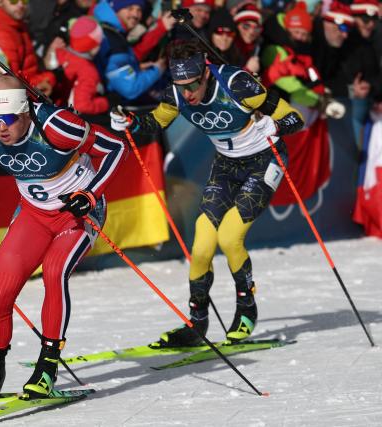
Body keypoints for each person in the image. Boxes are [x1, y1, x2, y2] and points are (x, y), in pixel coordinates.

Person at [0, 74, 127, 398]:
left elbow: (115, 148)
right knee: (2, 288)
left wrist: (90, 194)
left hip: (76, 213)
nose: (1, 129)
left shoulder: (57, 127)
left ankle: (47, 368)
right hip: (34, 214)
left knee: (55, 272)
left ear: (25, 112)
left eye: (8, 119)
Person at [110, 40, 304, 346]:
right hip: (226, 166)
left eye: (193, 85)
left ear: (206, 75)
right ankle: (197, 324)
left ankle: (246, 308)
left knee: (229, 237)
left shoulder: (236, 84)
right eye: (181, 85)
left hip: (263, 161)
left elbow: (295, 117)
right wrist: (129, 123)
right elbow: (154, 122)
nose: (188, 93)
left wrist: (277, 127)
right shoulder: (176, 94)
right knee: (200, 245)